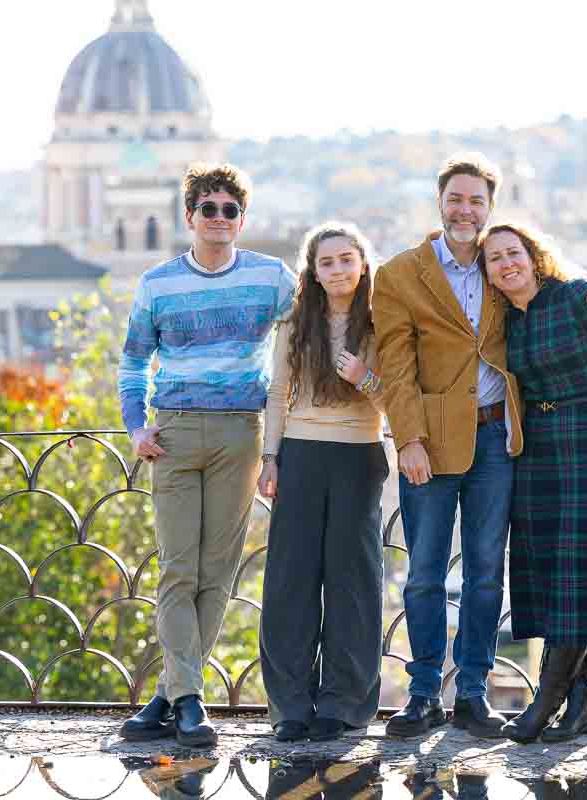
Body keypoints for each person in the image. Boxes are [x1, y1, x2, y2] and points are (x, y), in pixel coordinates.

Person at [373, 153, 587, 738]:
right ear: (439, 202)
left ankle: (473, 694)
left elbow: (548, 290)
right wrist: (408, 439)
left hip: (499, 438)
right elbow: (396, 370)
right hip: (427, 443)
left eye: (476, 201)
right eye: (456, 199)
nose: (465, 210)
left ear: (489, 207)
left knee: (486, 574)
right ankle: (424, 691)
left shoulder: (497, 266)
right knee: (425, 573)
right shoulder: (400, 274)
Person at [117, 163, 297, 747]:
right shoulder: (157, 283)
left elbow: (321, 329)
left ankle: (169, 697)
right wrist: (136, 425)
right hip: (172, 432)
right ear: (189, 216)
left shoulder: (273, 278)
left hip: (241, 433)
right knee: (177, 569)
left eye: (230, 209)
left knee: (215, 573)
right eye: (208, 208)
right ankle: (190, 699)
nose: (219, 218)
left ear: (241, 219)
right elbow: (132, 361)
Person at [479, 222, 587, 743]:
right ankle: (580, 709)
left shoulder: (576, 297)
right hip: (536, 448)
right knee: (555, 577)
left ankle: (545, 700)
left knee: (576, 570)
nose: (506, 264)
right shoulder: (503, 320)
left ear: (533, 256)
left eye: (513, 253)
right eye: (495, 259)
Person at [258, 222, 388, 742]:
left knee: (352, 583)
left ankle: (343, 704)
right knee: (291, 581)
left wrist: (365, 379)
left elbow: (396, 399)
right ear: (313, 271)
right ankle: (290, 705)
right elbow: (278, 392)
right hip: (302, 455)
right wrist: (271, 457)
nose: (337, 270)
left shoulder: (383, 322)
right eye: (326, 262)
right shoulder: (296, 321)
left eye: (345, 259)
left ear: (362, 262)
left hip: (359, 456)